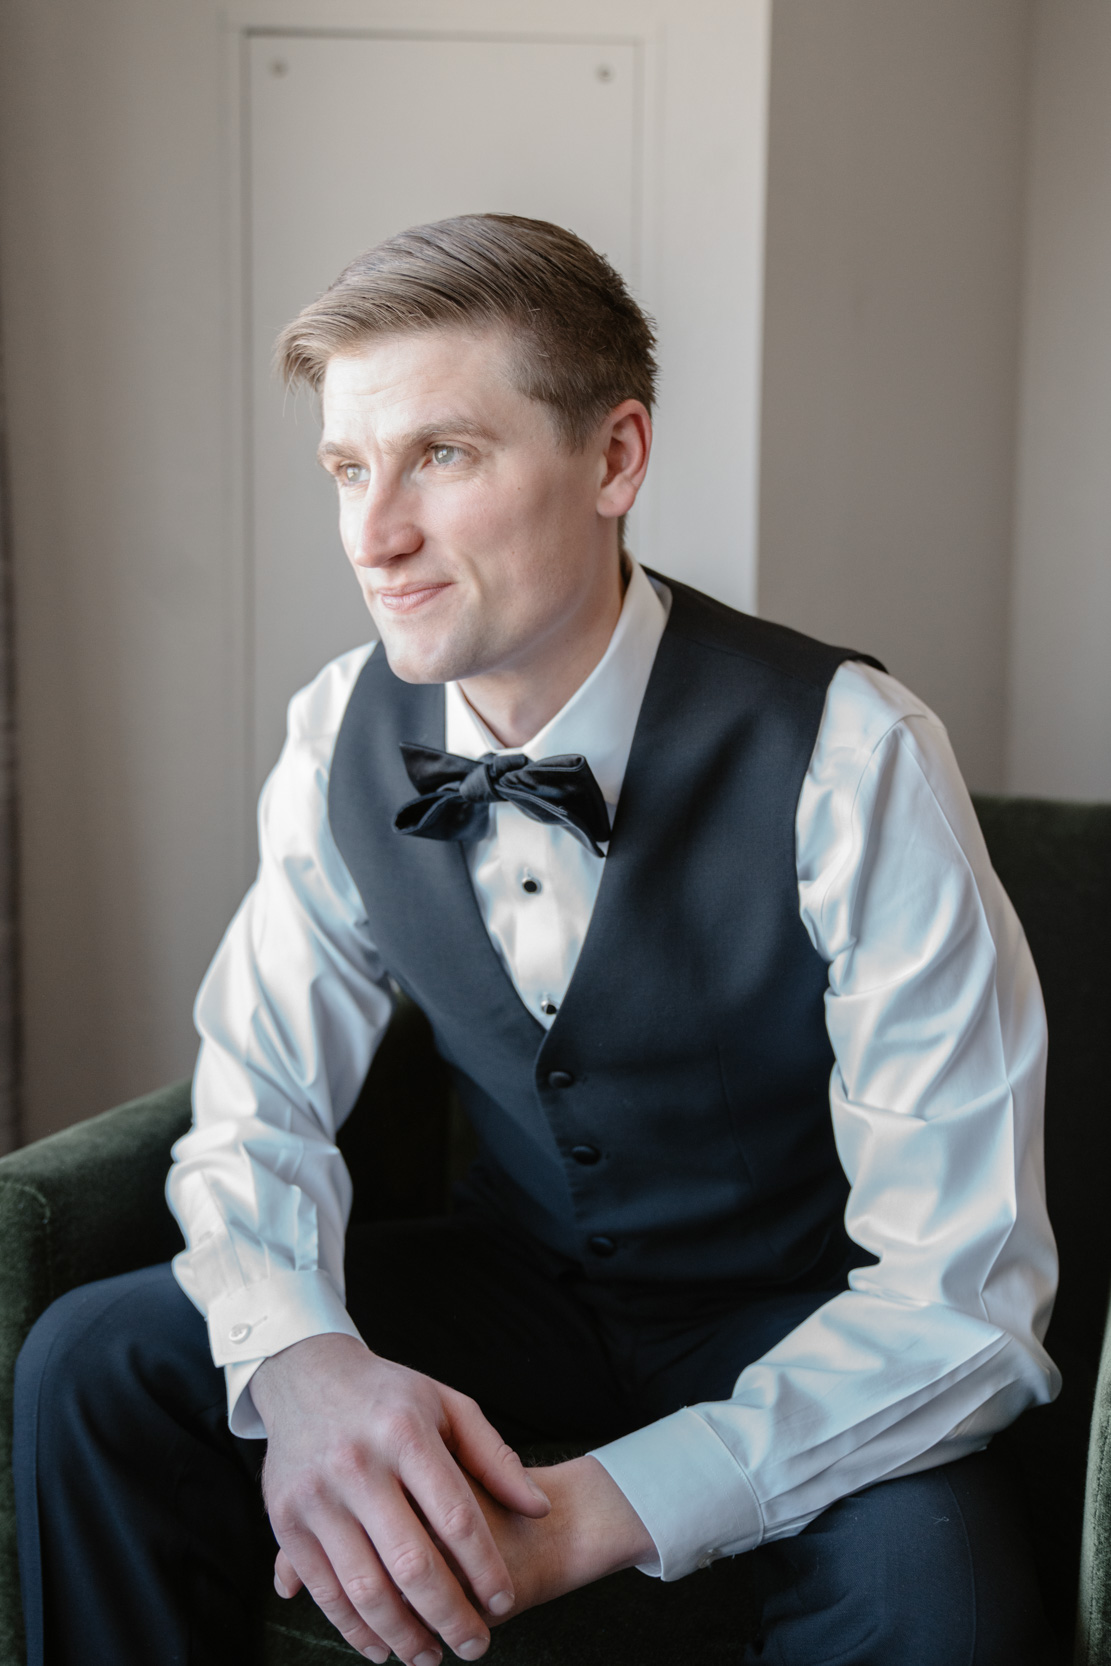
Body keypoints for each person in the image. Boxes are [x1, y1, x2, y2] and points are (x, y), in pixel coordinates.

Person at [14, 214, 1060, 1666]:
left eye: (442, 455)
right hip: (518, 1291)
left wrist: (593, 1512)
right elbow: (254, 1109)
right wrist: (306, 1362)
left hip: (799, 1316)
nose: (375, 536)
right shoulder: (339, 732)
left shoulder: (853, 753)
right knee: (94, 1361)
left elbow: (967, 1296)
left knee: (934, 1590)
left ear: (616, 457)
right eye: (346, 468)